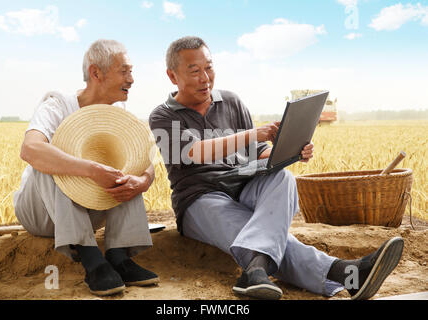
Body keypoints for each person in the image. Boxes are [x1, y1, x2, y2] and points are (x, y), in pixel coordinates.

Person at [148, 36, 404, 300]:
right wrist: (253, 134)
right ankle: (346, 273)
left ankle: (255, 271)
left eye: (209, 67)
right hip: (201, 199)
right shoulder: (163, 115)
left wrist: (288, 152)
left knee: (282, 177)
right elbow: (194, 152)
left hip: (245, 185)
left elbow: (259, 153)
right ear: (172, 76)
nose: (205, 78)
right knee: (257, 233)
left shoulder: (232, 102)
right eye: (194, 71)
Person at [14, 39, 159, 296]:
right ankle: (92, 261)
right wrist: (92, 169)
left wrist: (144, 181)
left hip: (89, 213)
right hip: (40, 214)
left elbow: (146, 159)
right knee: (50, 154)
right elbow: (30, 150)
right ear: (96, 72)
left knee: (129, 160)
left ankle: (118, 257)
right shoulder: (58, 105)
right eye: (124, 71)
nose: (132, 79)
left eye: (131, 71)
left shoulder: (118, 113)